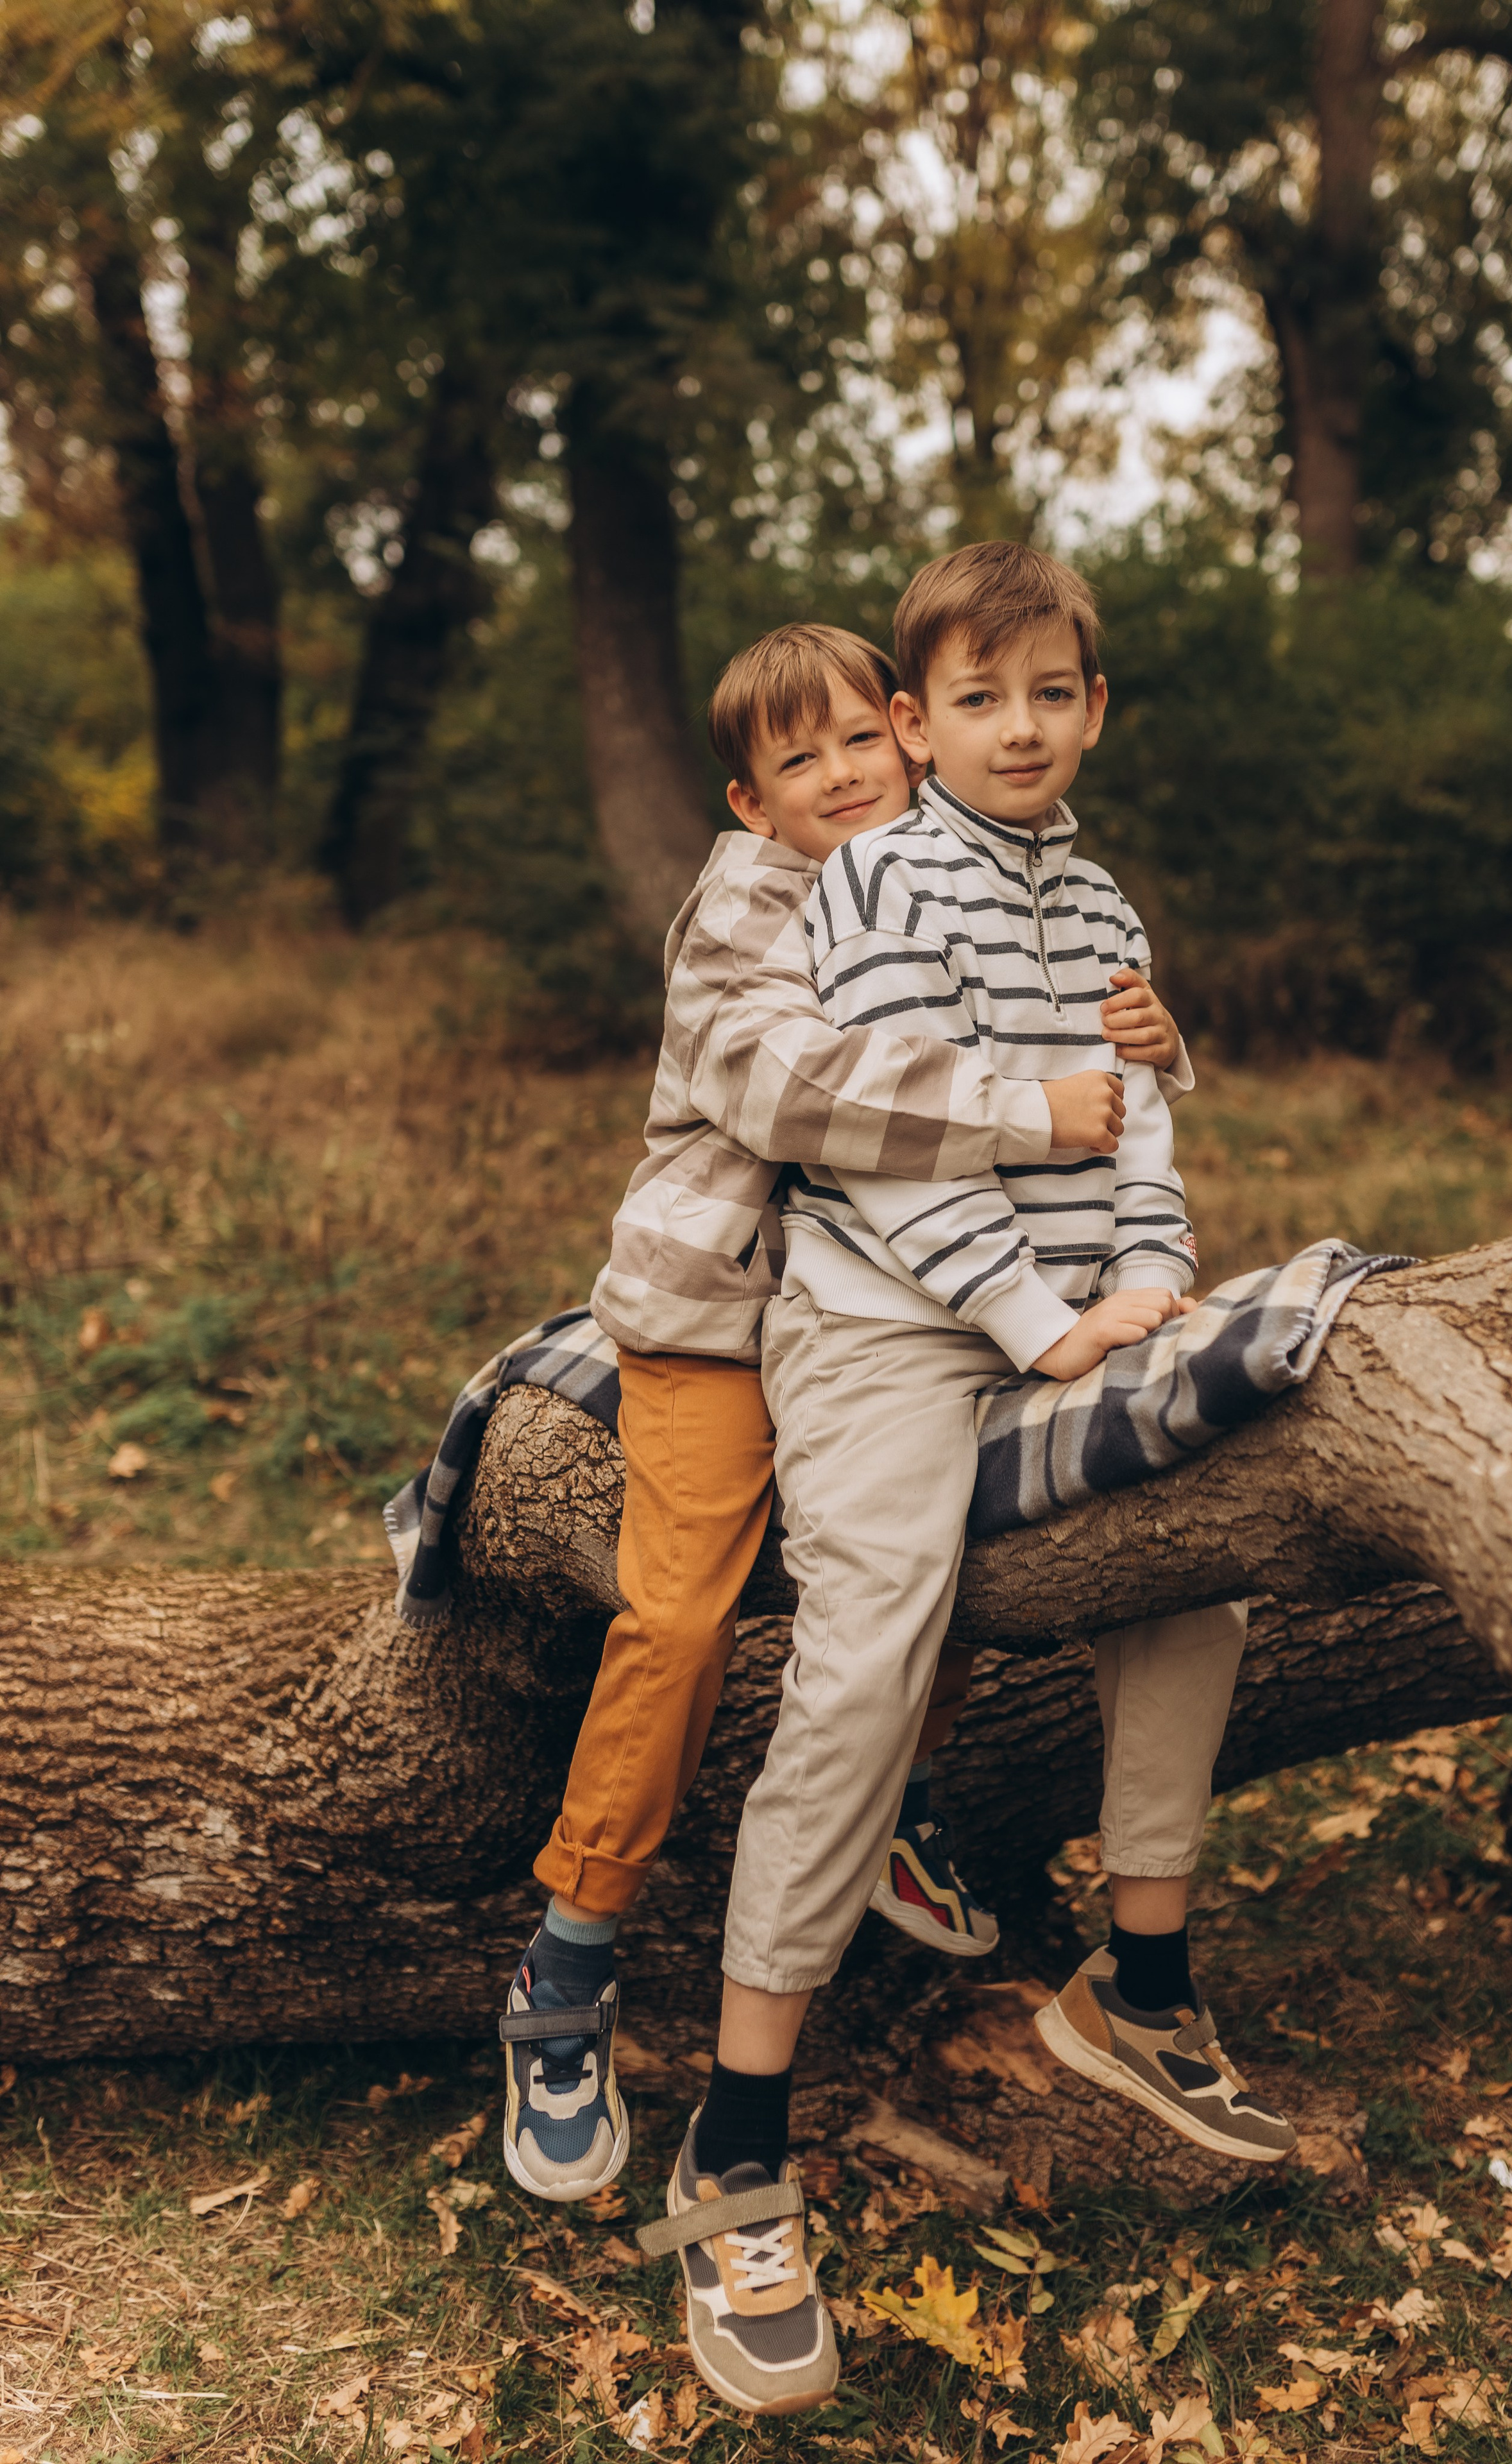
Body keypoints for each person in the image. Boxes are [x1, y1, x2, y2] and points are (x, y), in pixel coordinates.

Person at [641, 545, 1294, 2417]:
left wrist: (1155, 1276)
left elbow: (1136, 1112)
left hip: (1083, 1306)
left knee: (1203, 1540)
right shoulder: (876, 875)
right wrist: (1030, 1316)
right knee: (865, 1656)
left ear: (1099, 708)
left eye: (1055, 693)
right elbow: (888, 1150)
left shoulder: (1096, 894)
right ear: (917, 728)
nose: (1023, 729)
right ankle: (737, 2136)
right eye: (980, 700)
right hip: (891, 1327)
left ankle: (1141, 1992)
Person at [499, 622, 1185, 2212]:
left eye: (855, 744)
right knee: (679, 1619)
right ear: (750, 805)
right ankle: (568, 1954)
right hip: (715, 1325)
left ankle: (892, 1803)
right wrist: (1022, 1109)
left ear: (903, 732)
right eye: (794, 766)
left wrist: (1154, 1044)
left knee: (933, 1551)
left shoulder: (956, 868)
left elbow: (1086, 1027)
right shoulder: (750, 904)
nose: (838, 779)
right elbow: (790, 1096)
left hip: (892, 1308)